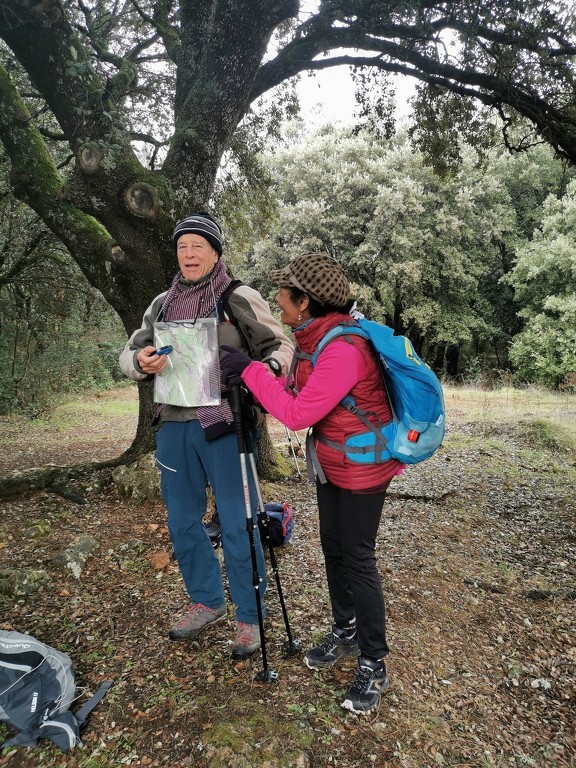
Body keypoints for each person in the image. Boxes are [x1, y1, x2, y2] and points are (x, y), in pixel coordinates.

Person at [220, 252, 405, 714]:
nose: (276, 299)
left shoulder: (342, 348)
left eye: (284, 293)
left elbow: (298, 414)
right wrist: (262, 374)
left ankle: (374, 661)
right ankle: (344, 631)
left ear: (304, 302)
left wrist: (247, 370)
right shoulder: (313, 338)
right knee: (333, 546)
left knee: (358, 557)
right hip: (332, 460)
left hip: (363, 465)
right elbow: (299, 394)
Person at [119, 212, 293, 659]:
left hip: (225, 426)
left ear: (215, 251)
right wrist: (141, 362)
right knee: (182, 521)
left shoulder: (237, 297)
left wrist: (266, 373)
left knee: (239, 521)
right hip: (174, 426)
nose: (189, 254)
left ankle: (250, 618)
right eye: (182, 247)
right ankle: (207, 601)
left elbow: (281, 346)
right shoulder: (160, 305)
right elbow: (128, 354)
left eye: (198, 246)